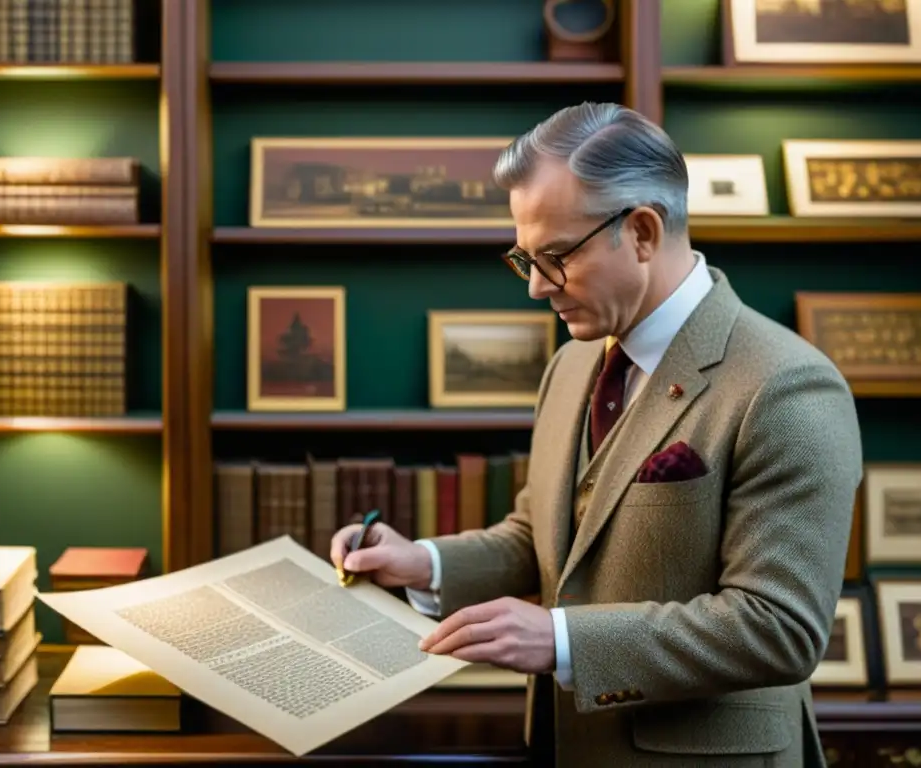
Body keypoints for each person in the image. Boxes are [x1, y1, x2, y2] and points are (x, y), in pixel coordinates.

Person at [331, 102, 862, 767]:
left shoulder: (788, 386)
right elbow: (545, 535)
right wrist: (425, 564)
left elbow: (779, 629)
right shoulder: (575, 361)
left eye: (554, 257)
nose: (533, 288)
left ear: (642, 231)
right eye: (523, 258)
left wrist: (560, 639)